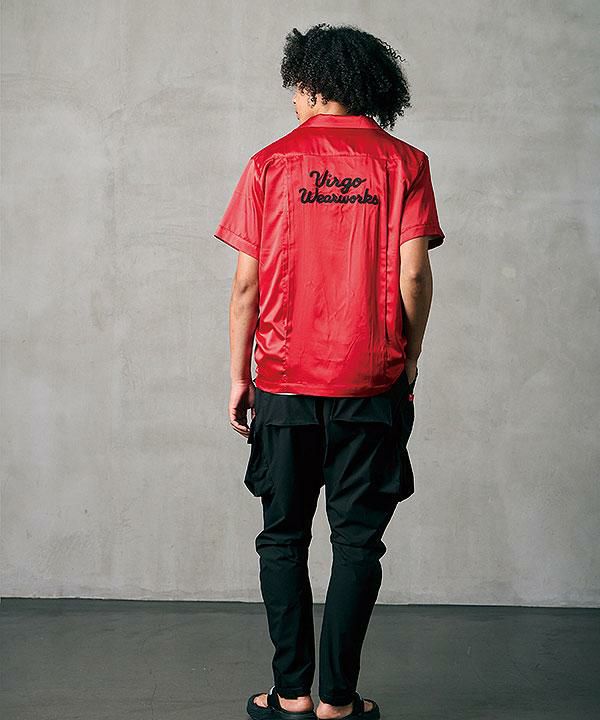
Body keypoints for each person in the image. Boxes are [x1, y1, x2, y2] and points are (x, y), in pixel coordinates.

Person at [214, 23, 445, 720]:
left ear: (317, 84)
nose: (292, 100)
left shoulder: (269, 164)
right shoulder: (405, 163)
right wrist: (410, 357)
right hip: (372, 385)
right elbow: (414, 276)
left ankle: (290, 695)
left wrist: (239, 375)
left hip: (284, 382)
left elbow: (246, 287)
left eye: (296, 87)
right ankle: (338, 703)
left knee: (283, 537)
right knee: (358, 542)